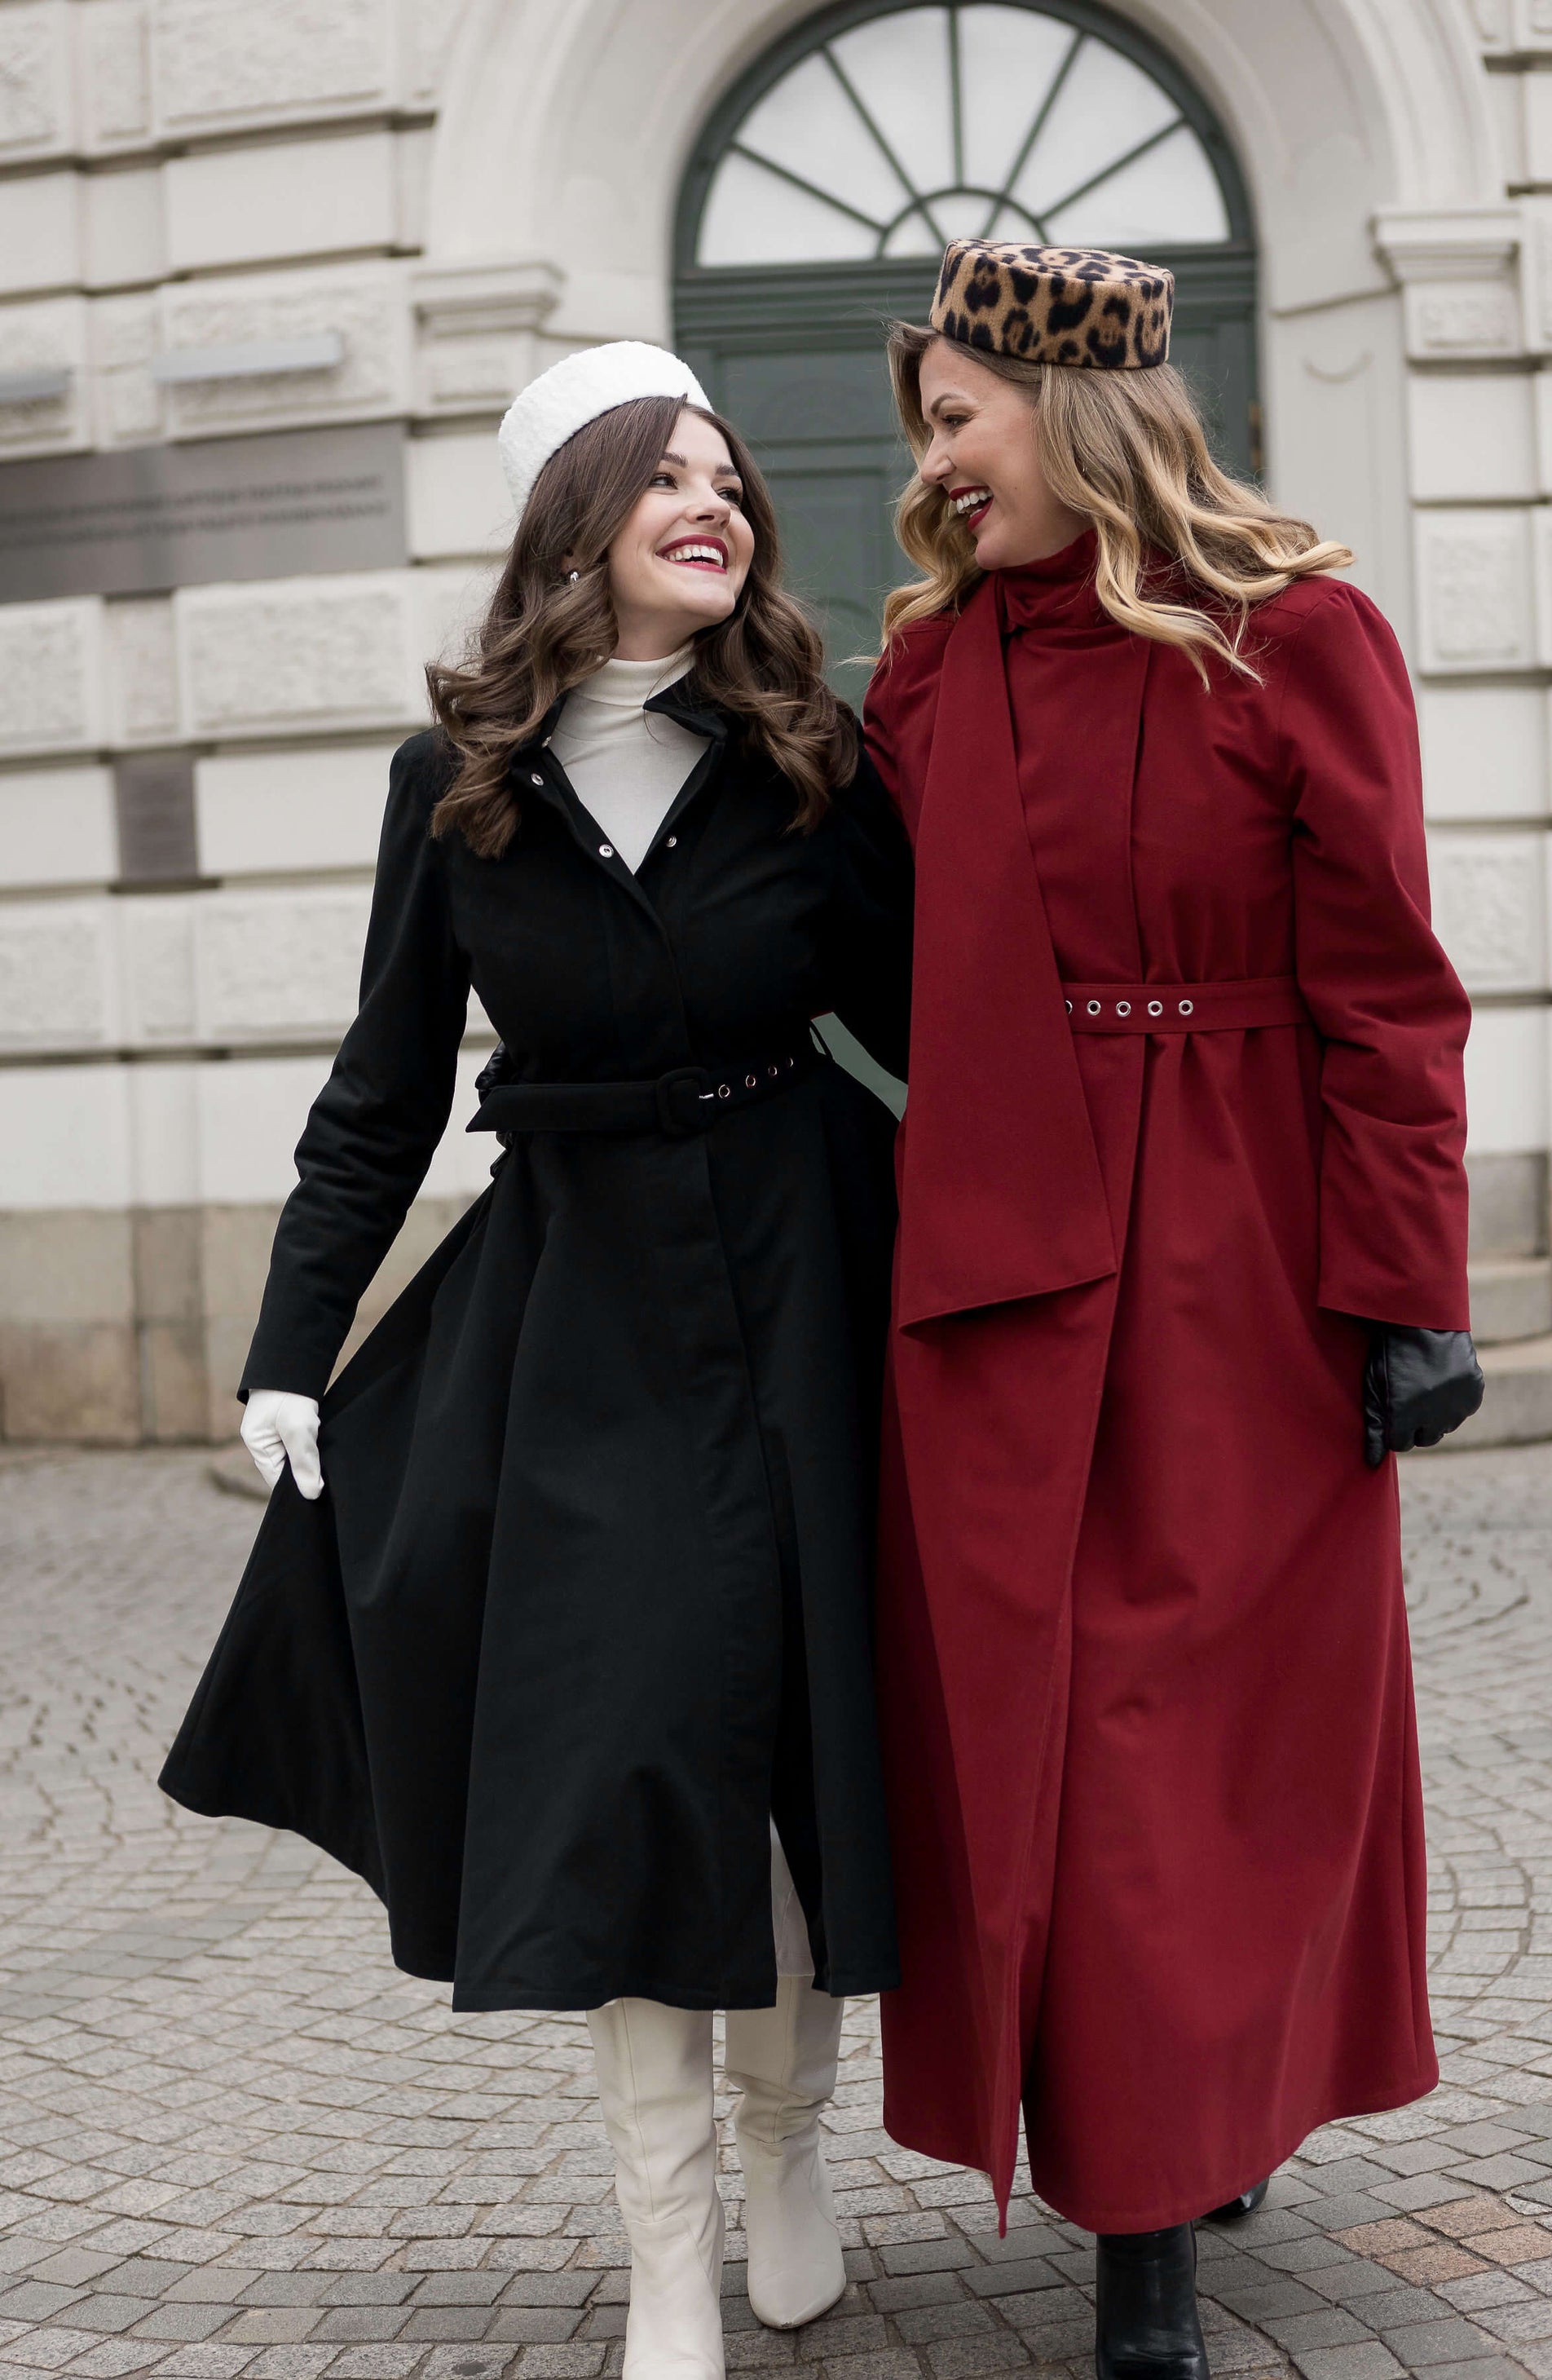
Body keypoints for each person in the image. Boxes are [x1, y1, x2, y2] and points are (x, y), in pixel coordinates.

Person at [160, 342, 912, 2380]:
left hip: (805, 1277)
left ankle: (786, 2147)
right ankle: (663, 2241)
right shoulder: (459, 783)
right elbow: (380, 1087)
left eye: (728, 477)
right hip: (577, 1315)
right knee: (634, 1756)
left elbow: (955, 1040)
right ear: (572, 519)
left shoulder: (812, 758)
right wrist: (292, 1348)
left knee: (796, 1757)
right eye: (664, 475)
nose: (715, 502)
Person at [862, 241, 1484, 2380]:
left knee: (1220, 1749)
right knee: (1065, 1741)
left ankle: (1189, 2151)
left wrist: (1405, 1290)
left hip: (1248, 1262)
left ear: (1075, 407)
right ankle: (1138, 2205)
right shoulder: (926, 682)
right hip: (1000, 1285)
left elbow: (1387, 988)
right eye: (924, 427)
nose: (933, 467)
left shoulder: (1299, 633)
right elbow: (827, 949)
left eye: (957, 415)